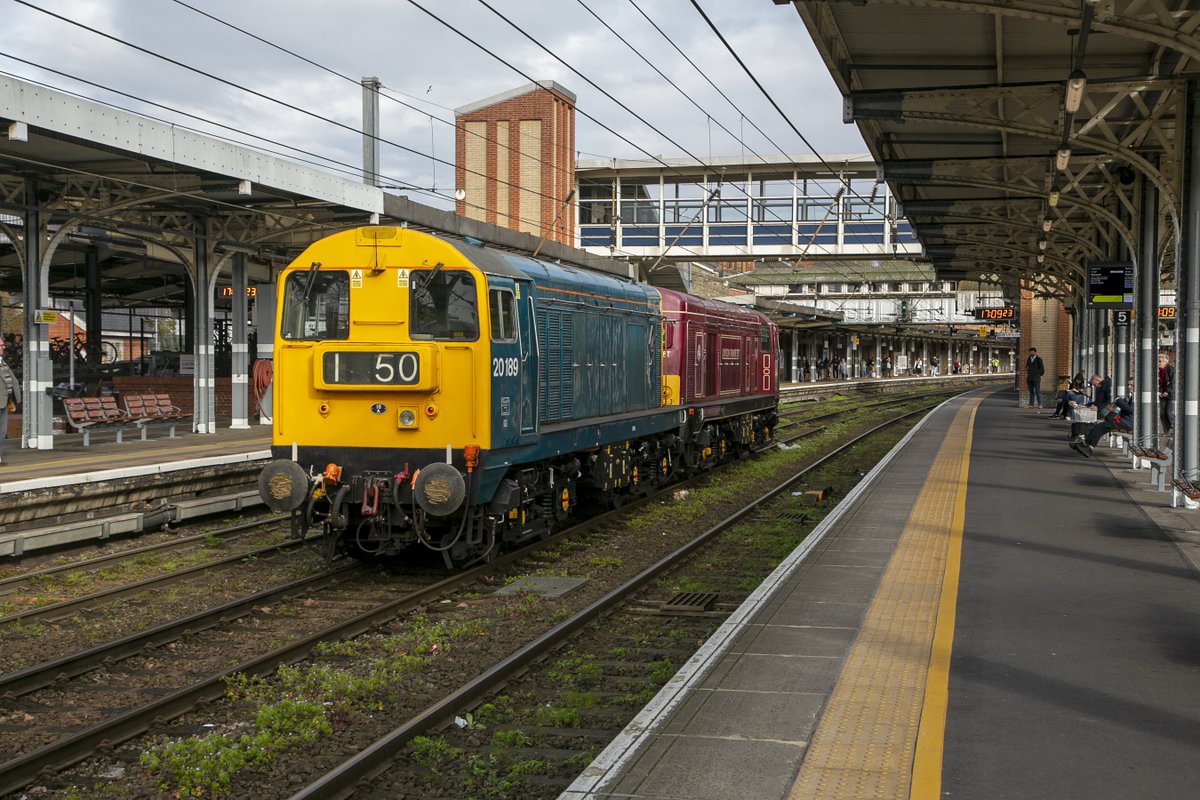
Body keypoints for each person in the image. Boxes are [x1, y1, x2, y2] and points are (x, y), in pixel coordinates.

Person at [1070, 380, 1134, 457]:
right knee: (1100, 426)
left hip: (1127, 422)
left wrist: (1119, 401)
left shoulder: (1136, 397)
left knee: (1101, 426)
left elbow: (1130, 410)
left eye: (1131, 385)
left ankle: (1087, 446)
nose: (1129, 387)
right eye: (1128, 385)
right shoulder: (1131, 396)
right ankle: (1087, 445)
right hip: (1124, 420)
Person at [0, 338, 20, 466]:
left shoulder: (2, 362)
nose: (3, 346)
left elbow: (12, 380)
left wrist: (16, 398)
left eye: (2, 344)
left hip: (4, 402)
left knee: (2, 431)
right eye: (0, 345)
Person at [1158, 351, 1175, 434]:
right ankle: (1166, 431)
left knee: (1169, 412)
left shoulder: (1171, 370)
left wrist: (1167, 391)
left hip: (1171, 394)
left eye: (1160, 361)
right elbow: (1158, 383)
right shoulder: (1158, 371)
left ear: (1165, 362)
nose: (1158, 363)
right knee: (1162, 413)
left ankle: (1173, 428)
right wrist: (1160, 392)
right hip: (1163, 394)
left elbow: (1173, 382)